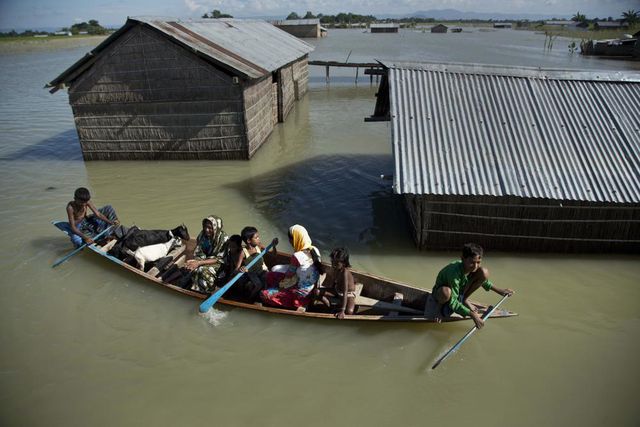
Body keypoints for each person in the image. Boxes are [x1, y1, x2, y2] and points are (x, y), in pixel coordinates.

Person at [429, 243, 514, 328]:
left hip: (459, 292)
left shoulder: (470, 268)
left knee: (484, 272)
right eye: (472, 262)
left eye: (478, 262)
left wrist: (499, 291)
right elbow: (453, 302)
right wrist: (472, 315)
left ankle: (464, 299)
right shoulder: (454, 272)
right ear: (462, 259)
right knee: (446, 292)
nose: (475, 266)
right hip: (441, 295)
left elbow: (483, 280)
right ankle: (438, 309)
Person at [260, 224, 325, 309]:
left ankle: (293, 303)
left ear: (295, 239)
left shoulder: (297, 256)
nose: (290, 242)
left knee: (263, 294)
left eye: (290, 239)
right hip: (310, 287)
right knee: (269, 275)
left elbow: (288, 276)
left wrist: (278, 287)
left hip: (299, 294)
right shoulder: (315, 249)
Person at [186, 215, 228, 293]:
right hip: (205, 259)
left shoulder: (223, 239)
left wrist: (199, 263)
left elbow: (219, 259)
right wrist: (195, 261)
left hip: (219, 264)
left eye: (210, 228)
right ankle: (197, 287)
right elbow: (199, 252)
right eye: (205, 227)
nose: (206, 230)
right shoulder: (202, 235)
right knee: (189, 265)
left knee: (201, 270)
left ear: (216, 228)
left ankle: (209, 289)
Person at [234, 226, 278, 296]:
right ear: (248, 241)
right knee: (258, 285)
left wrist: (274, 246)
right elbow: (236, 269)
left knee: (269, 281)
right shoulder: (243, 252)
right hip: (251, 273)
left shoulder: (259, 246)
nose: (259, 239)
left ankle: (261, 294)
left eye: (258, 237)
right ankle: (251, 297)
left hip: (261, 271)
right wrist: (240, 269)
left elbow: (273, 255)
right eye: (256, 237)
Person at [317, 247, 356, 319]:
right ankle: (329, 306)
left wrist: (342, 310)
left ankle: (339, 308)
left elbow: (345, 291)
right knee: (316, 291)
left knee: (349, 312)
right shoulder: (335, 269)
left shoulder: (345, 272)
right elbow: (334, 282)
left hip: (348, 294)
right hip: (337, 290)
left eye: (336, 262)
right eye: (332, 261)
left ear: (343, 263)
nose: (333, 264)